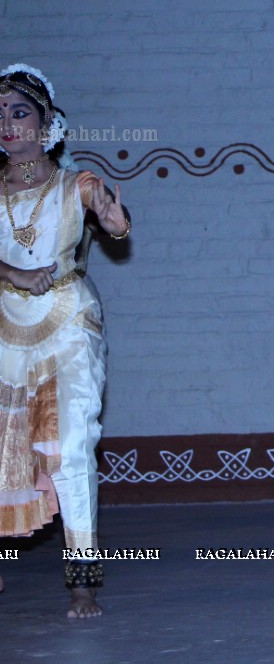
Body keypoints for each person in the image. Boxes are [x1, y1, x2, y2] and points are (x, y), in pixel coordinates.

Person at [0, 64, 131, 618]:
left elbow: (120, 229)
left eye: (19, 112)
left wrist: (111, 213)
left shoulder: (78, 184)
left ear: (48, 122)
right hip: (6, 327)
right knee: (4, 454)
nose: (7, 124)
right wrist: (11, 272)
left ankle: (83, 579)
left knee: (73, 442)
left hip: (70, 321)